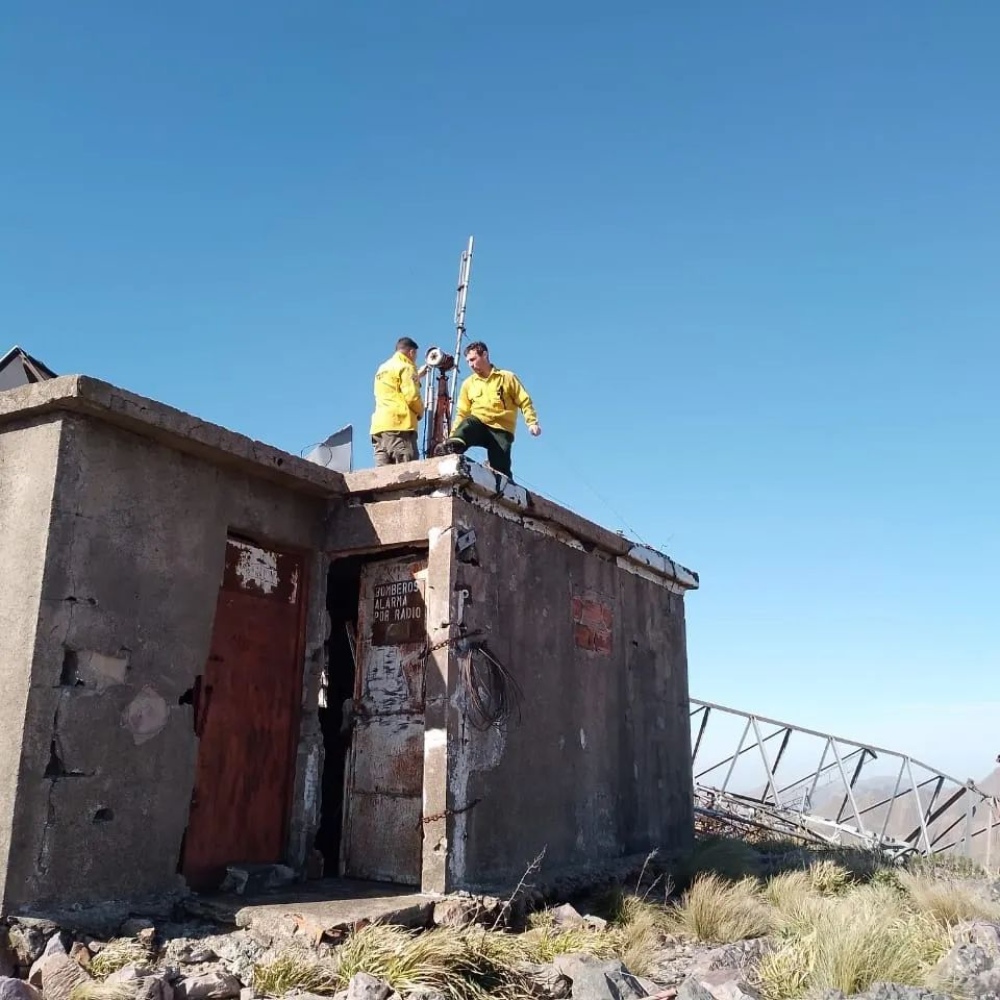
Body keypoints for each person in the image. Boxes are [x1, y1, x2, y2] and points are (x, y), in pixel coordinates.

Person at [440, 341, 541, 479]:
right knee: (467, 425)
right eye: (468, 361)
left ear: (485, 355)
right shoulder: (468, 384)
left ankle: (505, 485)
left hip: (502, 429)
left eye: (473, 359)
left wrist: (532, 422)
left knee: (501, 468)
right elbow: (462, 413)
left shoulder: (507, 377)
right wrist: (453, 436)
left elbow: (524, 401)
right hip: (479, 424)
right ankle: (452, 449)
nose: (470, 364)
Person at [370, 337, 424, 465]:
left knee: (383, 477)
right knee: (406, 472)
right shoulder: (406, 367)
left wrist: (418, 376)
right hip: (399, 426)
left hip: (379, 428)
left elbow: (394, 388)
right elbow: (411, 397)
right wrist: (421, 411)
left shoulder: (383, 368)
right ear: (412, 352)